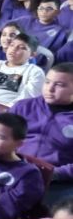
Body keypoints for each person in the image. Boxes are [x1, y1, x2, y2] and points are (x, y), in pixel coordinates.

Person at [10, 63, 73, 206]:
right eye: (47, 82)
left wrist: (54, 173)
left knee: (64, 213)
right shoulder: (23, 106)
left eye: (59, 85)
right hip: (14, 169)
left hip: (57, 181)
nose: (50, 89)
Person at [0, 32, 45, 107]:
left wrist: (7, 108)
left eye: (21, 47)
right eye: (12, 45)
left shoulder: (35, 71)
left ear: (32, 55)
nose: (14, 49)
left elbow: (28, 98)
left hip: (12, 109)